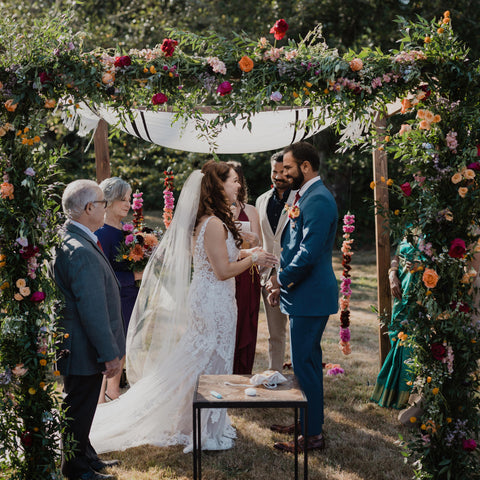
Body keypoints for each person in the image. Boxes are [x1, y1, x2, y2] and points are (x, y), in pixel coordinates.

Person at [89, 161, 277, 454]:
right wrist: (253, 259)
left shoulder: (210, 219)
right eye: (232, 181)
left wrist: (247, 251)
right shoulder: (213, 223)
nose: (238, 185)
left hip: (216, 298)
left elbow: (219, 256)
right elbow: (223, 270)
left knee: (207, 357)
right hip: (213, 300)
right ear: (218, 186)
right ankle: (198, 424)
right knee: (206, 359)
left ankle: (198, 419)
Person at [49, 179, 125, 480]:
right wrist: (109, 354)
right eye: (102, 202)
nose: (105, 207)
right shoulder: (79, 249)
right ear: (89, 208)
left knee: (80, 404)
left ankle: (86, 455)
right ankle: (76, 468)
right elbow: (92, 309)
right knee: (79, 404)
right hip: (82, 344)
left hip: (76, 341)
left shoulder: (72, 237)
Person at [266, 141, 338, 453]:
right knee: (303, 364)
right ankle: (307, 423)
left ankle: (312, 437)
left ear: (305, 167)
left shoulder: (319, 200)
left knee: (305, 364)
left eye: (289, 168)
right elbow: (292, 246)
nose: (284, 172)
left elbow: (308, 253)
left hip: (310, 295)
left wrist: (280, 280)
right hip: (302, 294)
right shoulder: (304, 195)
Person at [96, 177, 142, 402]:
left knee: (124, 345)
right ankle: (100, 394)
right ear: (109, 201)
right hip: (112, 298)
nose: (128, 204)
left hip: (129, 297)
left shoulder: (127, 232)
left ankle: (113, 390)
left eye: (130, 199)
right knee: (110, 346)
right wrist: (133, 275)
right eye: (123, 199)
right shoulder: (101, 233)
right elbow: (102, 275)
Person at [255, 152, 295, 372]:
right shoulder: (261, 200)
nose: (278, 176)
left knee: (298, 331)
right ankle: (275, 373)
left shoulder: (300, 199)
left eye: (283, 171)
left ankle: (300, 376)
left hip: (295, 274)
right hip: (267, 276)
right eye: (275, 171)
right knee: (275, 332)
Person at [370, 240, 420, 410]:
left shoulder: (435, 229)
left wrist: (421, 266)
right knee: (397, 338)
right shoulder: (409, 228)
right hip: (401, 293)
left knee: (411, 344)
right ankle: (391, 392)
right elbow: (396, 256)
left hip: (420, 296)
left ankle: (408, 397)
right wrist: (392, 274)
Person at [227, 161, 262, 374]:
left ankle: (243, 369)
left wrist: (253, 237)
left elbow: (258, 243)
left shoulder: (251, 210)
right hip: (228, 269)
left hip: (248, 273)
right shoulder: (216, 211)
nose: (236, 185)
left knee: (246, 320)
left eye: (238, 180)